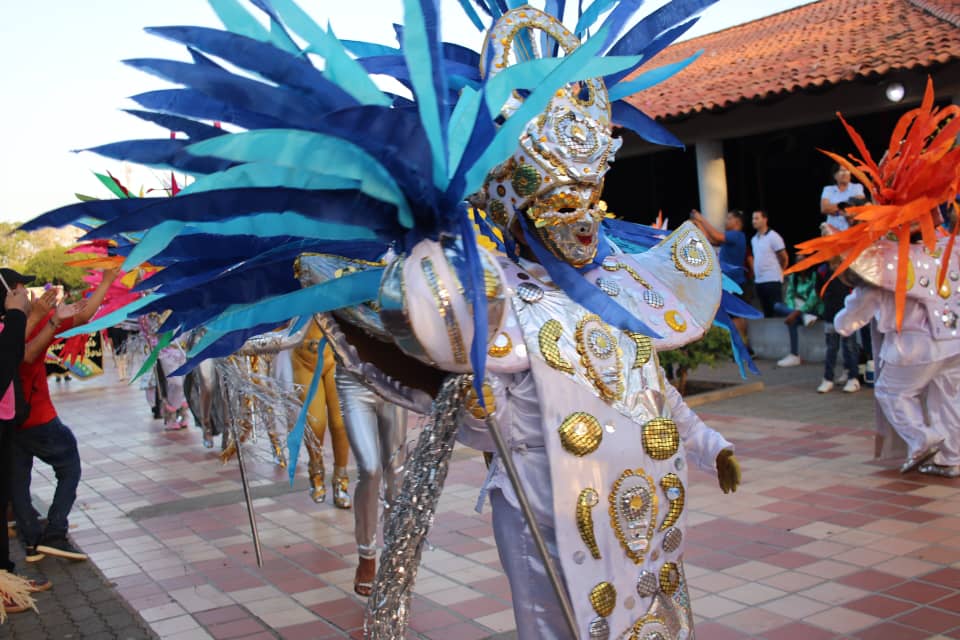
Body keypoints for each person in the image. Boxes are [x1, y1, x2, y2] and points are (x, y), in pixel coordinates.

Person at [11, 267, 120, 562]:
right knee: (69, 465)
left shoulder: (27, 320)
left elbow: (82, 317)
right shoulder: (26, 322)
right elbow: (24, 355)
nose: (28, 294)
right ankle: (55, 533)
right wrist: (38, 318)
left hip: (11, 421)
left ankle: (32, 541)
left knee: (18, 479)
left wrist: (106, 282)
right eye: (22, 289)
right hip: (37, 416)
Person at [0, 273, 52, 616]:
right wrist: (21, 315)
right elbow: (9, 362)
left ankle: (6, 579)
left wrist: (27, 316)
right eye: (16, 290)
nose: (22, 293)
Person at [335, 369, 407, 597]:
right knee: (369, 469)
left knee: (396, 470)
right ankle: (366, 555)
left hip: (392, 378)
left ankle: (394, 553)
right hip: (353, 380)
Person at [291, 319, 351, 507]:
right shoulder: (292, 290)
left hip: (335, 356)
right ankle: (316, 472)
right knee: (315, 423)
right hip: (303, 359)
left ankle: (341, 480)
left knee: (340, 423)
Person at [750, 210, 806, 367]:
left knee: (777, 307)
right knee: (767, 311)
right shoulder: (754, 239)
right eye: (753, 218)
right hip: (760, 280)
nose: (754, 221)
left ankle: (800, 317)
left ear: (765, 219)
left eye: (757, 218)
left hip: (773, 278)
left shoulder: (773, 236)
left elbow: (784, 256)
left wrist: (781, 270)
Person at [692, 209, 749, 339]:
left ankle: (743, 345)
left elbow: (716, 236)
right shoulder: (732, 237)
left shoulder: (737, 235)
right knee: (731, 314)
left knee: (736, 315)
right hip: (728, 282)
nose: (726, 221)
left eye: (729, 218)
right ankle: (740, 345)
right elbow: (711, 240)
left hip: (735, 281)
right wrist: (698, 224)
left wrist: (701, 219)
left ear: (737, 221)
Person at [815, 258, 860, 393]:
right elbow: (819, 290)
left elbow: (856, 288)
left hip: (848, 313)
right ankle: (828, 379)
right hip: (830, 313)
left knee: (850, 347)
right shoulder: (822, 270)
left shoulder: (848, 266)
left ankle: (853, 377)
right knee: (831, 347)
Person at [820, 163, 866, 232]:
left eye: (847, 170)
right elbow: (824, 208)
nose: (845, 173)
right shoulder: (828, 189)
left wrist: (835, 211)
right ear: (835, 175)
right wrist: (847, 204)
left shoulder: (857, 187)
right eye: (841, 171)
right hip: (832, 231)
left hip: (852, 230)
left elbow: (861, 205)